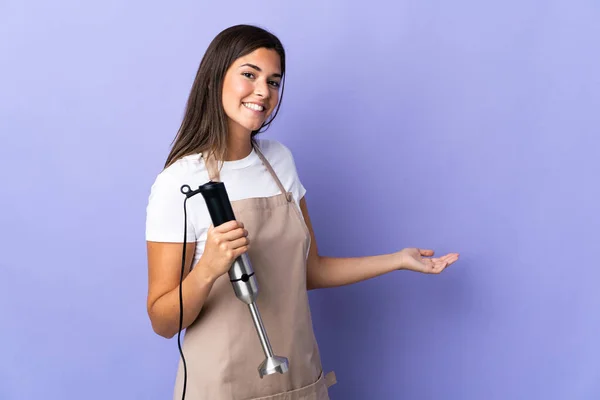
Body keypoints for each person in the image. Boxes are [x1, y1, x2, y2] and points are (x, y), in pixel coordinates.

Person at [145, 24, 459, 400]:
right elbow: (163, 321)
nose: (263, 91)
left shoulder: (279, 162)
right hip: (219, 386)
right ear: (215, 79)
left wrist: (397, 260)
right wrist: (209, 267)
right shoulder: (179, 181)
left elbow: (310, 271)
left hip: (297, 376)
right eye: (249, 74)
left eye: (274, 81)